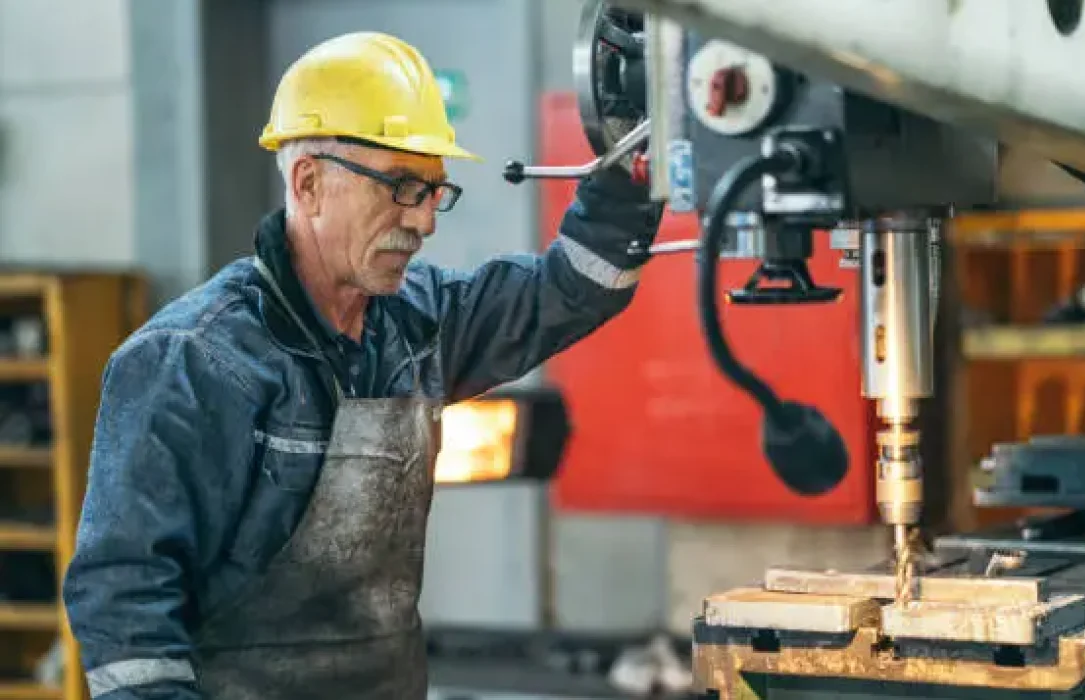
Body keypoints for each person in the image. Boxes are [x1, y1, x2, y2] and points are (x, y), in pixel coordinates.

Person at [63, 32, 662, 700]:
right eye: (403, 187)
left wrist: (635, 164)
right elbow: (123, 602)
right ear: (309, 183)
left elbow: (570, 291)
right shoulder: (191, 362)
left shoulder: (421, 323)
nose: (425, 222)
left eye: (436, 192)